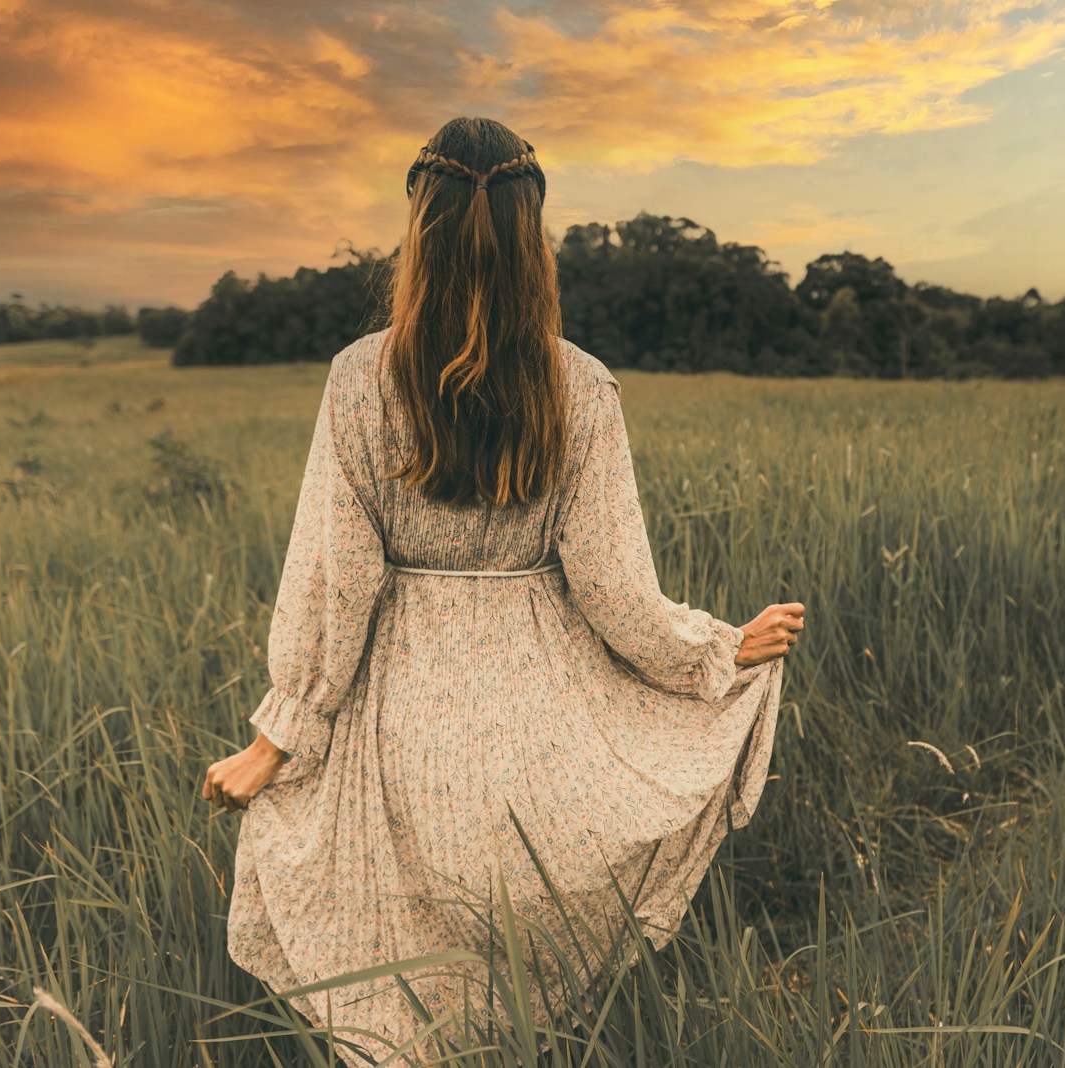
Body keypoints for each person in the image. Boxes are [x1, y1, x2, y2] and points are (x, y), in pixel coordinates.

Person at [200, 115, 804, 1065]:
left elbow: (335, 583)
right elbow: (616, 595)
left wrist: (279, 737)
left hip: (397, 723)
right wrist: (714, 653)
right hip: (543, 723)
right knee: (517, 963)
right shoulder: (581, 384)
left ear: (418, 224)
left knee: (401, 971)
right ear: (536, 235)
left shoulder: (361, 379)